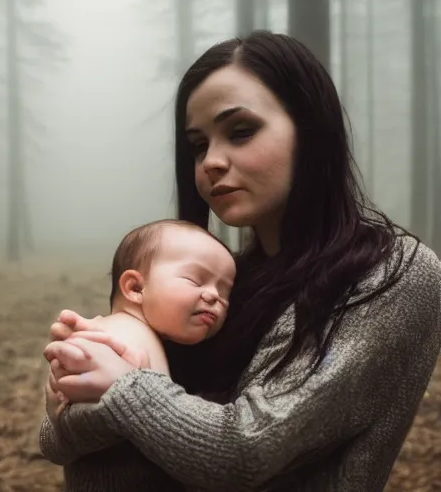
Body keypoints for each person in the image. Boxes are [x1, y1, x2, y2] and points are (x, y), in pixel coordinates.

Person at [38, 30, 441, 492]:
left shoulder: (393, 273)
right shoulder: (221, 287)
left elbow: (247, 450)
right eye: (197, 145)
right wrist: (74, 375)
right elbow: (57, 441)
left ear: (310, 131)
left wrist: (123, 387)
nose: (210, 161)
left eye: (241, 131)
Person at [50, 218, 235, 421]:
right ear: (135, 288)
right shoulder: (129, 337)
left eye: (225, 292)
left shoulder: (108, 330)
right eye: (195, 280)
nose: (214, 296)